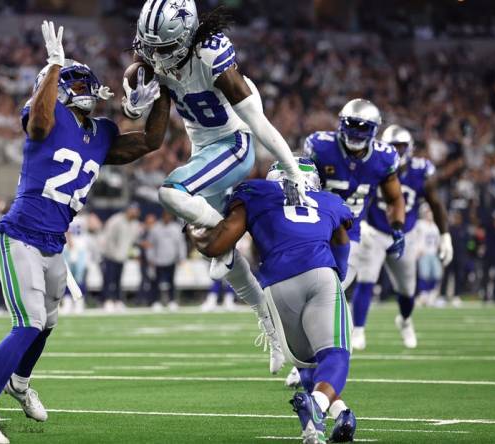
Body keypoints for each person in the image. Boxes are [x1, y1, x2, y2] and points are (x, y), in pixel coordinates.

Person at [0, 20, 169, 443]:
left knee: (48, 323)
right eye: (69, 80)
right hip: (19, 233)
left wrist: (163, 91)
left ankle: (19, 383)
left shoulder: (101, 134)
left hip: (54, 244)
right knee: (28, 322)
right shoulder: (46, 112)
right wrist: (54, 66)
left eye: (79, 78)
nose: (81, 85)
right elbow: (38, 124)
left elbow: (150, 142)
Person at [130, 0, 308, 373]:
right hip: (204, 150)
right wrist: (133, 103)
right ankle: (273, 327)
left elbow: (257, 122)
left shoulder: (212, 56)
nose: (155, 56)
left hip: (234, 142)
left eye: (162, 48)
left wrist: (290, 167)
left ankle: (224, 232)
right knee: (213, 249)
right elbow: (138, 75)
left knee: (170, 193)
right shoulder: (158, 54)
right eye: (150, 47)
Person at [187, 158, 356, 444]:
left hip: (277, 285)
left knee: (307, 363)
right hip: (320, 274)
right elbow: (342, 240)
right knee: (334, 354)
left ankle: (333, 417)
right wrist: (337, 273)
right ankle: (317, 406)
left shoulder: (255, 192)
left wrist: (192, 227)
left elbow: (217, 245)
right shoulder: (329, 200)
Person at [300, 100, 406, 351]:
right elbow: (302, 183)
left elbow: (394, 197)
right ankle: (300, 350)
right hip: (315, 228)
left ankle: (309, 355)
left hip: (349, 235)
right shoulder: (321, 147)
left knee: (327, 291)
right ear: (340, 123)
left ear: (374, 129)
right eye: (351, 124)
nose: (356, 131)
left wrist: (398, 226)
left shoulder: (383, 157)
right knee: (303, 292)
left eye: (363, 126)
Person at [348, 125, 451, 349]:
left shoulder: (421, 170)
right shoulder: (373, 164)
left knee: (407, 290)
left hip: (406, 234)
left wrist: (445, 235)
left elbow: (435, 203)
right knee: (366, 280)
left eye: (401, 146)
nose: (396, 150)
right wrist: (362, 222)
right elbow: (357, 195)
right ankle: (358, 330)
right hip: (374, 231)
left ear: (410, 148)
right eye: (392, 146)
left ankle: (404, 320)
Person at [100, 204, 142, 312]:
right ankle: (107, 301)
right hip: (110, 255)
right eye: (135, 211)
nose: (136, 213)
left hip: (122, 256)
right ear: (129, 210)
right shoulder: (116, 220)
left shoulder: (135, 224)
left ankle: (117, 301)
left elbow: (133, 241)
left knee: (118, 280)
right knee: (109, 280)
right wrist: (111, 253)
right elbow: (108, 237)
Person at [148, 210, 187, 311]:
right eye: (166, 215)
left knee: (171, 282)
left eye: (169, 216)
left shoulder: (176, 228)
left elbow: (181, 244)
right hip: (158, 260)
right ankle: (156, 301)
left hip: (171, 260)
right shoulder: (155, 228)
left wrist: (181, 257)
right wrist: (150, 258)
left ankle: (172, 301)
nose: (167, 217)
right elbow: (151, 245)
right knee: (156, 282)